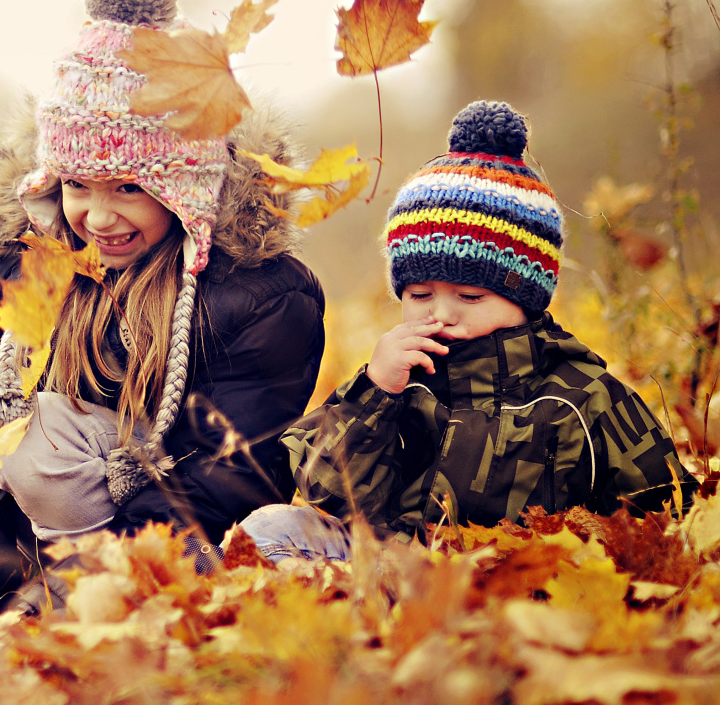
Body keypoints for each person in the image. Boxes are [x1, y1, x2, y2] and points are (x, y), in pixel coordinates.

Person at [0, 0, 325, 609]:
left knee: (49, 441)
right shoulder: (30, 257)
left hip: (159, 551)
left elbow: (222, 480)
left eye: (128, 188)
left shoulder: (257, 295)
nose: (97, 216)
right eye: (77, 185)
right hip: (24, 539)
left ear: (186, 190)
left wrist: (78, 591)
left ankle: (72, 604)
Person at [240, 100, 696, 565]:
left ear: (525, 297)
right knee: (271, 527)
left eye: (470, 296)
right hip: (399, 570)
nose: (442, 313)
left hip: (522, 585)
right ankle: (219, 573)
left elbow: (668, 513)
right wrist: (373, 393)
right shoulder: (401, 381)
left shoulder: (583, 397)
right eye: (420, 294)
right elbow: (330, 493)